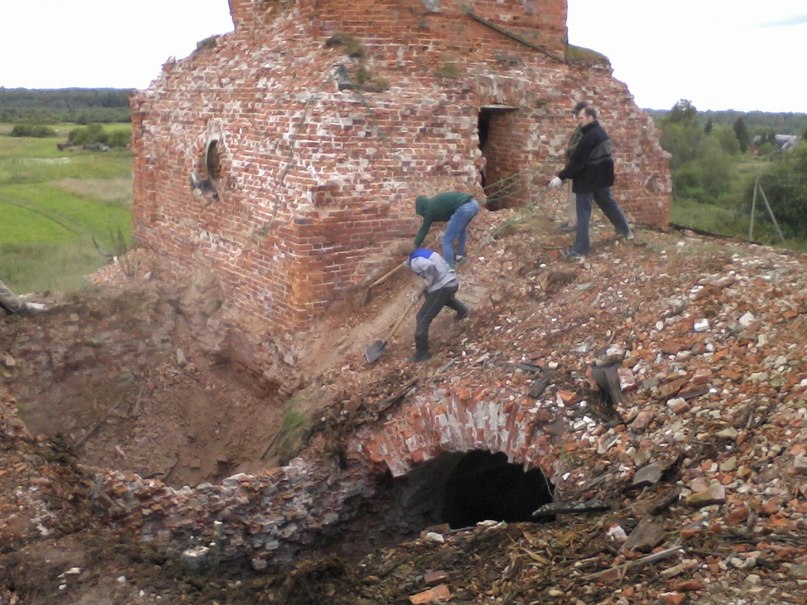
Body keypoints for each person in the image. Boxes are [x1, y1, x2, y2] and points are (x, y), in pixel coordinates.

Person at [549, 105, 633, 258]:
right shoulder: (600, 133)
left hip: (587, 180)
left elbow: (577, 163)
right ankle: (625, 231)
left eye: (581, 118)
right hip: (602, 178)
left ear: (590, 117)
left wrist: (560, 177)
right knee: (609, 204)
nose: (578, 121)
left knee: (583, 213)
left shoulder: (589, 137)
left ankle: (580, 250)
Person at [406, 248, 469, 362]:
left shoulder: (415, 261)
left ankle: (422, 353)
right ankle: (463, 311)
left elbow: (429, 267)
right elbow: (424, 276)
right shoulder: (421, 253)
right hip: (451, 282)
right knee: (438, 299)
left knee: (422, 317)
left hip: (443, 286)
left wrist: (429, 280)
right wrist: (418, 292)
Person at [413, 192, 480, 268]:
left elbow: (424, 229)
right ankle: (459, 257)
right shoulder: (435, 203)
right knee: (462, 231)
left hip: (465, 208)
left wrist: (415, 246)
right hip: (474, 205)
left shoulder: (429, 210)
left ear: (422, 207)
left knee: (446, 240)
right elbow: (453, 218)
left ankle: (449, 267)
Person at [558, 100, 590, 233]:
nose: (576, 118)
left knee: (576, 196)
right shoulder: (582, 128)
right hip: (576, 167)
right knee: (573, 196)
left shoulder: (586, 130)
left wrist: (567, 152)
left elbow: (578, 148)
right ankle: (573, 220)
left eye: (578, 115)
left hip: (580, 169)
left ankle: (574, 223)